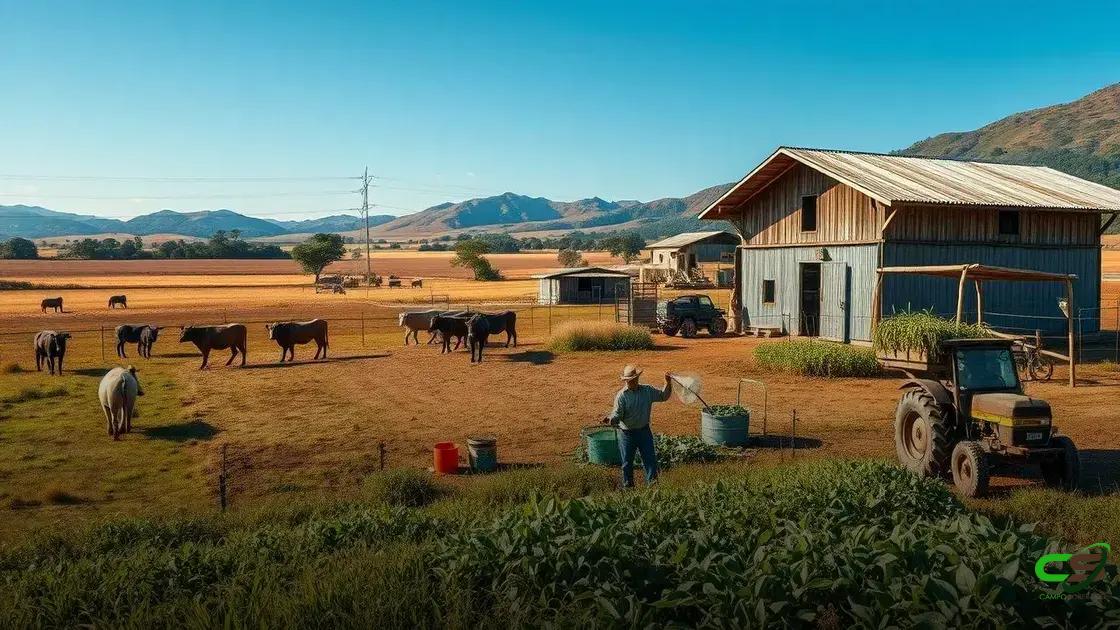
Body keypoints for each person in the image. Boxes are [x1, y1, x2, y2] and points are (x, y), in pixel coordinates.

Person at [602, 364, 672, 488]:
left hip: (644, 432)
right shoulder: (622, 396)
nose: (631, 382)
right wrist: (611, 419)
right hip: (627, 434)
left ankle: (653, 487)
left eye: (633, 379)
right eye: (628, 380)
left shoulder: (647, 390)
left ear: (637, 378)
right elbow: (617, 413)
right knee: (627, 463)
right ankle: (628, 488)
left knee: (650, 461)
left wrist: (667, 382)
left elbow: (663, 396)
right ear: (625, 380)